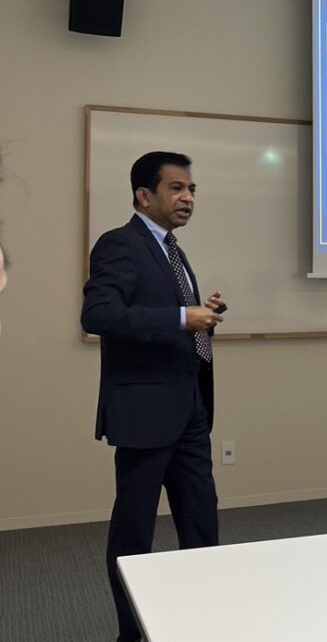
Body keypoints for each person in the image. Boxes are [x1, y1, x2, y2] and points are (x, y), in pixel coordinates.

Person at [82, 151, 226, 642]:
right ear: (144, 196)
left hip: (190, 407)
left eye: (192, 190)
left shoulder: (173, 250)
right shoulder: (120, 244)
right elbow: (98, 315)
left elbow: (165, 315)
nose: (188, 198)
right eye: (176, 188)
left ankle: (200, 625)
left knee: (202, 524)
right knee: (134, 532)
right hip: (144, 413)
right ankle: (132, 634)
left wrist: (199, 315)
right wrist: (183, 318)